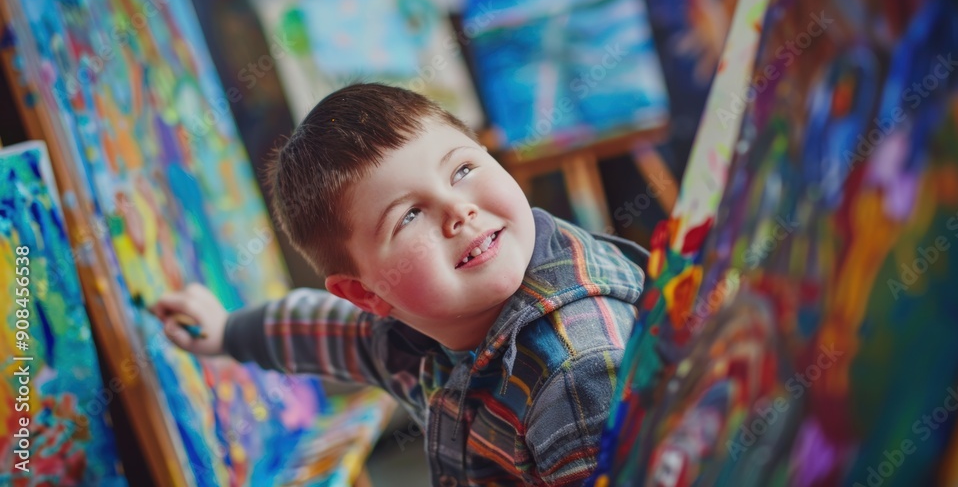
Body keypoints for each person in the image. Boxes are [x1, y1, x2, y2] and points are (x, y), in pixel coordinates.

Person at [153, 83, 648, 486]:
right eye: (409, 215)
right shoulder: (414, 335)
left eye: (463, 169)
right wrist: (224, 333)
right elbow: (321, 329)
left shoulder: (576, 370)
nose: (459, 210)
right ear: (367, 294)